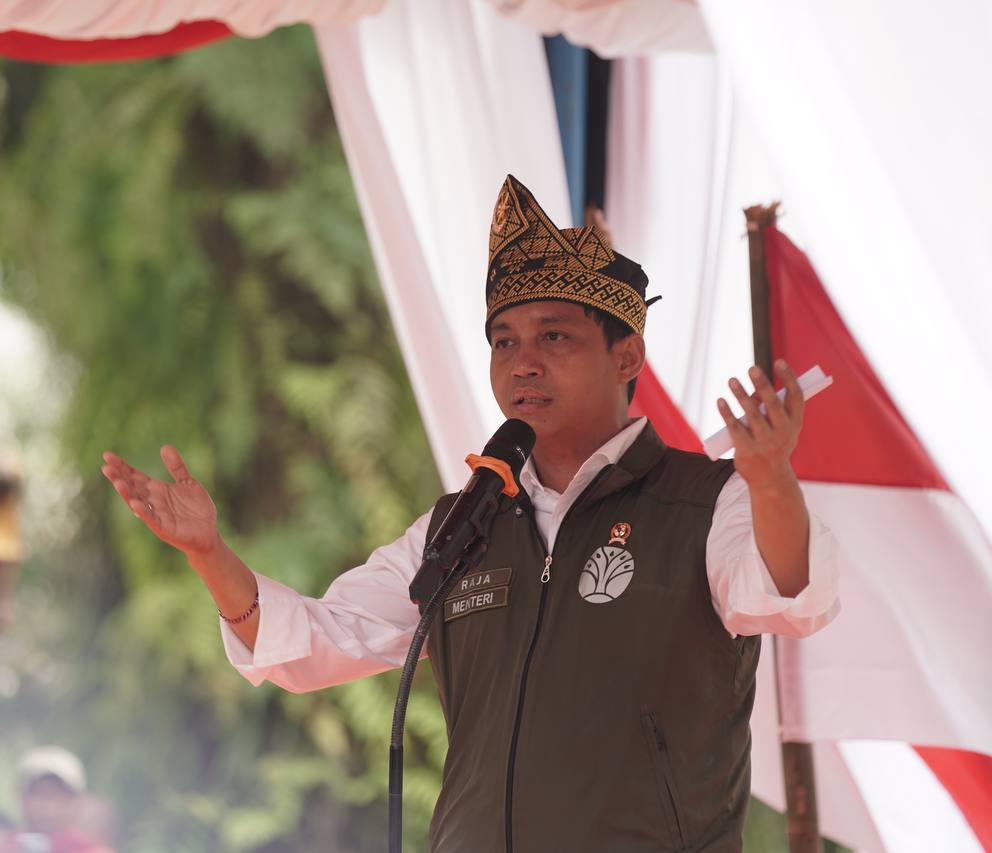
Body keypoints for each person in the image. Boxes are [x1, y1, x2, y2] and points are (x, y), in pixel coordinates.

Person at [101, 174, 841, 852]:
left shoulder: (706, 499)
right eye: (503, 341)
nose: (524, 362)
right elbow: (313, 642)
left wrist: (772, 481)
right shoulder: (462, 525)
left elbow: (792, 598)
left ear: (626, 357)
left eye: (554, 336)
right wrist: (208, 552)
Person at [16, 746, 115, 853]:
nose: (48, 806)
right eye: (39, 794)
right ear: (21, 797)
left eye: (58, 796)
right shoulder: (6, 846)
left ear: (77, 803)